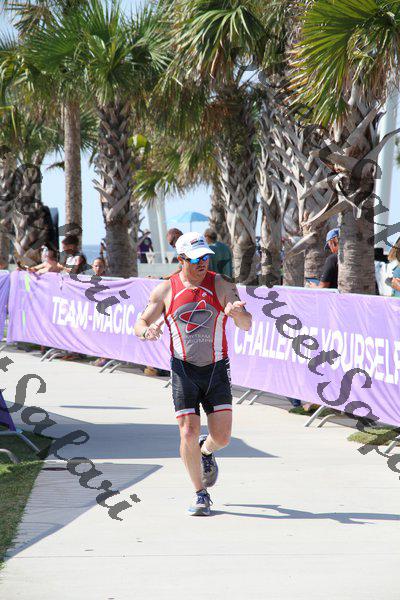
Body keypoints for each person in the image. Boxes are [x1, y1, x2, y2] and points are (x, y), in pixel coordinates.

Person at [134, 232, 252, 516]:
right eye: (196, 259)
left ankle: (206, 450)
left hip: (216, 369)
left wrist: (236, 313)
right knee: (187, 431)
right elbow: (140, 322)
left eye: (206, 258)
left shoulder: (221, 283)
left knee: (222, 438)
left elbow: (246, 324)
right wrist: (147, 332)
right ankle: (201, 493)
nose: (203, 263)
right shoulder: (166, 289)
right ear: (181, 259)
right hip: (183, 370)